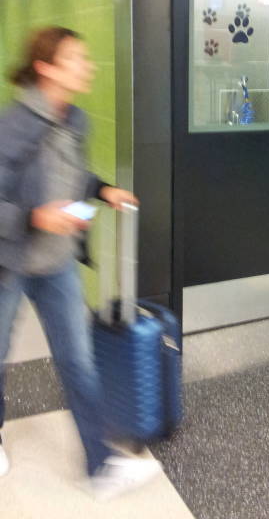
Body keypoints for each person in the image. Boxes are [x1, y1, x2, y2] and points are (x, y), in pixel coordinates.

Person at [0, 27, 161, 500]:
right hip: (8, 262)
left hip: (56, 266)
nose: (87, 66)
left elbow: (74, 175)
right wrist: (35, 216)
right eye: (76, 59)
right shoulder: (13, 124)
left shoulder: (77, 120)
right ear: (47, 68)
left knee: (77, 360)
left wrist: (101, 189)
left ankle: (101, 465)